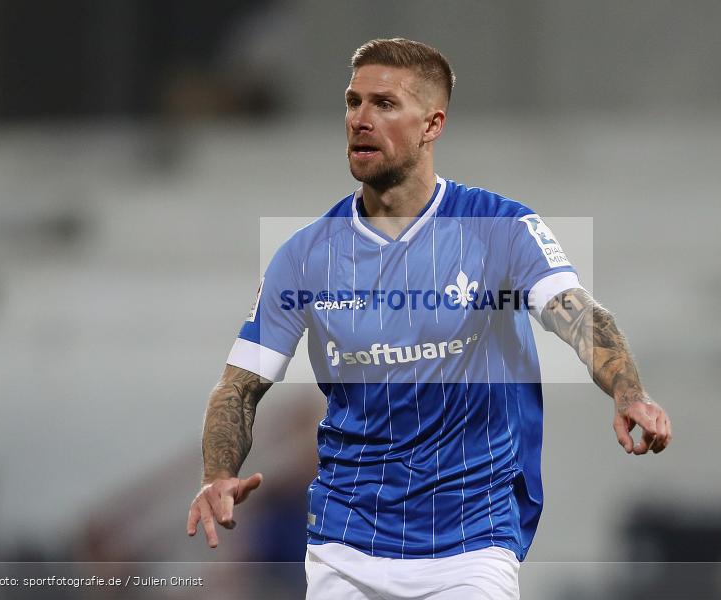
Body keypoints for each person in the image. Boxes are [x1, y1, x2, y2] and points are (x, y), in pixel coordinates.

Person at [187, 38, 672, 599]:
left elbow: (576, 312)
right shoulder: (305, 255)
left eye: (385, 105)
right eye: (353, 102)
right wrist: (217, 473)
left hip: (471, 539)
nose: (360, 119)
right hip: (345, 541)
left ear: (432, 124)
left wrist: (628, 391)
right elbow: (238, 388)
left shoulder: (500, 227)